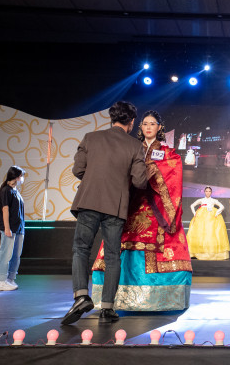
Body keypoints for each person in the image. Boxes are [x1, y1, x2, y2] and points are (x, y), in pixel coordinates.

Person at [91, 110, 192, 311]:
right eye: (145, 123)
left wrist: (152, 170)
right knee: (118, 243)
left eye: (152, 124)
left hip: (157, 207)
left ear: (159, 127)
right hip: (131, 204)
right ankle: (113, 297)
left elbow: (173, 171)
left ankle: (159, 299)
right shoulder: (131, 148)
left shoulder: (168, 152)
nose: (148, 127)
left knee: (162, 240)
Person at [62, 101, 148, 325]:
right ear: (131, 122)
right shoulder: (135, 145)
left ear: (112, 119)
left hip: (89, 201)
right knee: (112, 257)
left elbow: (78, 169)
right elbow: (140, 181)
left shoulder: (90, 138)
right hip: (115, 206)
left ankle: (81, 296)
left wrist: (95, 180)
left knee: (81, 249)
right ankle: (107, 308)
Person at [0, 165, 26, 292]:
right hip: (10, 228)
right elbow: (5, 210)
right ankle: (0, 281)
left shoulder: (15, 191)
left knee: (16, 255)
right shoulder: (6, 190)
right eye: (21, 176)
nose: (22, 178)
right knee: (5, 254)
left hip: (19, 228)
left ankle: (10, 278)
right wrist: (7, 228)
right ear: (16, 177)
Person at [187, 187, 230, 260]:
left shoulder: (213, 200)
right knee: (200, 233)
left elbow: (222, 206)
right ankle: (198, 253)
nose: (208, 192)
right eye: (206, 191)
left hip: (211, 218)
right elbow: (192, 205)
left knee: (210, 233)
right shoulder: (201, 200)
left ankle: (211, 253)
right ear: (204, 192)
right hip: (201, 218)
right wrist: (195, 213)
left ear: (211, 192)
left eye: (209, 191)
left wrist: (217, 213)